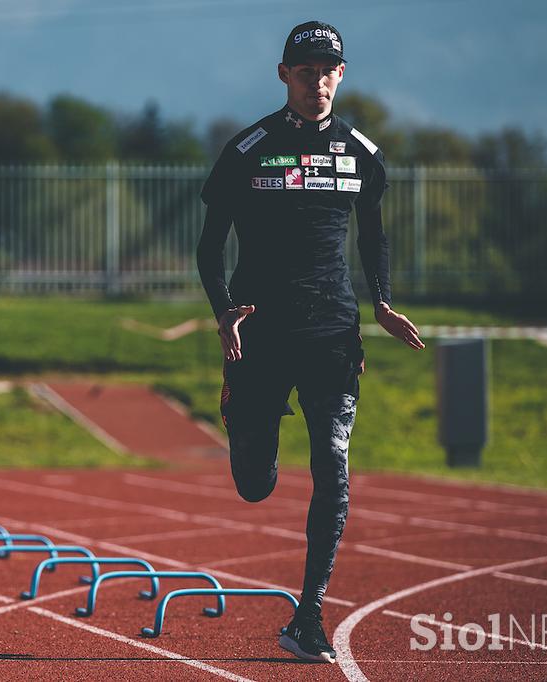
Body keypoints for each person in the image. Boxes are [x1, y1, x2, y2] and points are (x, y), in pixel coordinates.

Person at [196, 20, 424, 663]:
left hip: (331, 330)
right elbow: (210, 249)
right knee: (254, 483)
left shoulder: (360, 153)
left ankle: (309, 614)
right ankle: (243, 416)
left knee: (333, 462)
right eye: (305, 72)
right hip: (261, 328)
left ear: (341, 75)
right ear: (283, 75)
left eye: (328, 71)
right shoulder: (248, 150)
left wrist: (380, 301)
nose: (317, 82)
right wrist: (224, 313)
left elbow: (374, 235)